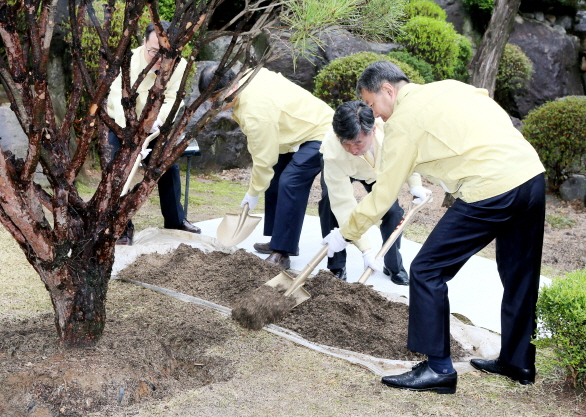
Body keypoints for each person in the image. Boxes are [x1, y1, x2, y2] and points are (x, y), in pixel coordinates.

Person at [322, 61, 546, 394]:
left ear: (388, 89)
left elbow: (382, 195)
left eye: (371, 104)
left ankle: (439, 369)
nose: (375, 115)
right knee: (520, 276)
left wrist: (346, 233)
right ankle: (518, 362)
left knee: (427, 270)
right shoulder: (449, 86)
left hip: (491, 187)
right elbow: (486, 104)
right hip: (530, 174)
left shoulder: (402, 123)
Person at [198, 65, 334, 269]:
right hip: (292, 132)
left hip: (320, 131)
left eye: (215, 99)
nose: (213, 105)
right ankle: (277, 240)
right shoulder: (248, 75)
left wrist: (252, 192)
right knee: (275, 179)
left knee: (291, 182)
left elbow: (264, 159)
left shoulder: (254, 110)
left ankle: (282, 252)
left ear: (232, 88)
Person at [107, 21, 201, 245]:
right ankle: (122, 228)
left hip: (156, 126)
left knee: (166, 168)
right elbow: (114, 96)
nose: (159, 58)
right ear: (144, 43)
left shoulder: (179, 66)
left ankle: (176, 220)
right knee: (119, 172)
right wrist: (131, 131)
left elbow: (173, 99)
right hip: (124, 126)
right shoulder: (128, 60)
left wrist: (157, 122)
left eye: (165, 53)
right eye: (153, 51)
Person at [319, 100, 430, 283]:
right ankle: (337, 267)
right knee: (329, 203)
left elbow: (407, 156)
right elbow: (343, 203)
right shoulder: (333, 151)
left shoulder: (390, 130)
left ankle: (392, 264)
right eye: (346, 144)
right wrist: (366, 250)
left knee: (393, 211)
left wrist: (415, 184)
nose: (353, 150)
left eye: (358, 143)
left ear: (373, 131)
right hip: (345, 168)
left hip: (376, 170)